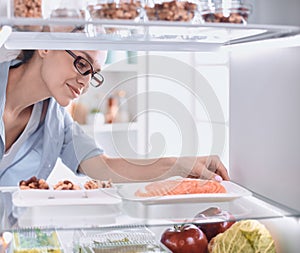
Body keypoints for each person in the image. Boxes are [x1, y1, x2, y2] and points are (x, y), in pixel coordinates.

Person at [0, 49, 230, 186]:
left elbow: (104, 167)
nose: (85, 82)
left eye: (93, 74)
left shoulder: (56, 123)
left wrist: (179, 165)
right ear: (45, 46)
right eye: (81, 63)